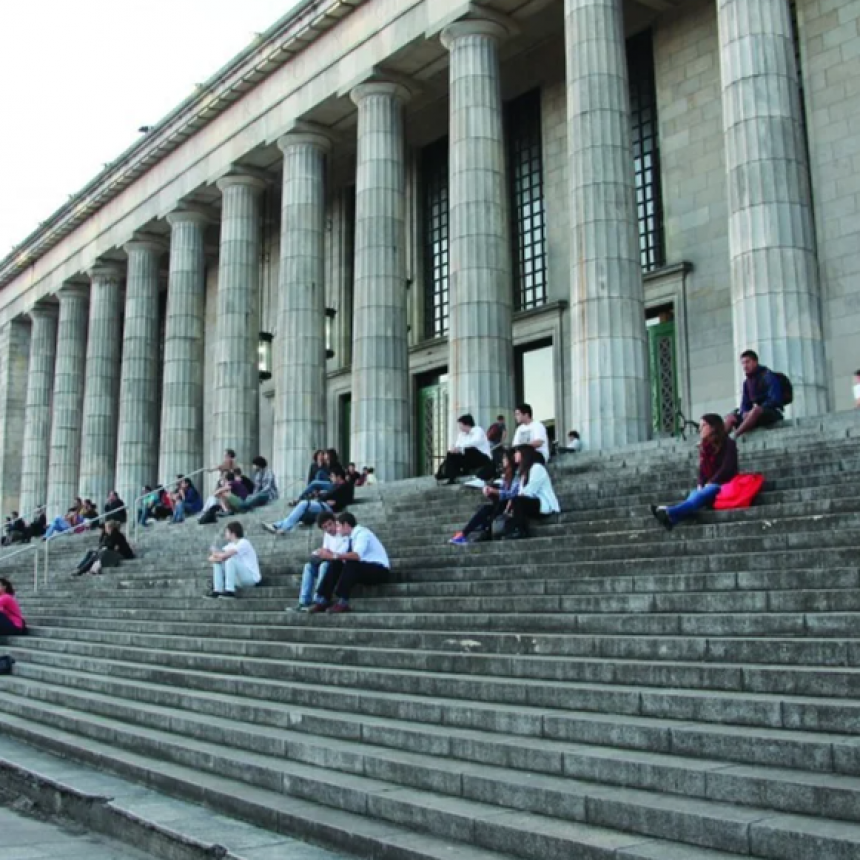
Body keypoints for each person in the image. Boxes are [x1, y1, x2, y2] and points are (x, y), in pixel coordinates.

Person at [650, 413, 739, 530]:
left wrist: (711, 482)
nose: (700, 429)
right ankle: (672, 520)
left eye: (703, 425)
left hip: (724, 485)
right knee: (694, 497)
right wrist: (700, 484)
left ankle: (668, 511)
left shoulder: (729, 444)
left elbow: (727, 468)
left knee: (698, 497)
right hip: (709, 487)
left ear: (713, 427)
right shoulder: (705, 447)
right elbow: (702, 471)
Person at [308, 512, 390, 614]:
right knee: (336, 563)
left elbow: (357, 555)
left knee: (351, 563)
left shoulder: (362, 533)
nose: (337, 529)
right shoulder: (351, 537)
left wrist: (334, 555)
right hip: (366, 568)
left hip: (380, 570)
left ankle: (343, 602)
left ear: (346, 525)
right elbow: (341, 556)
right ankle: (322, 599)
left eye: (338, 526)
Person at [450, 449, 519, 545]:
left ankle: (478, 532)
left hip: (512, 506)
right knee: (486, 509)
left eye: (504, 458)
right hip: (502, 504)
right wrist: (491, 493)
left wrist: (495, 491)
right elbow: (503, 493)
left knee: (495, 507)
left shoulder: (517, 475)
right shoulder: (506, 476)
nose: (502, 460)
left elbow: (513, 493)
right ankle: (463, 534)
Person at [263, 468, 354, 535]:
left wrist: (335, 502)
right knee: (301, 512)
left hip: (329, 508)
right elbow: (328, 495)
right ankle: (276, 525)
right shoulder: (337, 486)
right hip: (325, 505)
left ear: (339, 477)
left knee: (303, 504)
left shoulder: (344, 486)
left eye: (333, 476)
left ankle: (284, 527)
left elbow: (340, 498)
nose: (331, 479)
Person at [287, 511, 346, 612]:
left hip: (339, 566)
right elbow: (325, 550)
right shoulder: (327, 535)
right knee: (308, 567)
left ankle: (318, 600)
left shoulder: (343, 532)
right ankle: (303, 601)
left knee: (324, 565)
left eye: (330, 524)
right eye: (325, 527)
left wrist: (329, 554)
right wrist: (319, 553)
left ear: (335, 522)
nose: (329, 529)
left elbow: (341, 554)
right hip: (329, 562)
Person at [501, 445, 560, 540]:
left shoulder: (537, 468)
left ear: (524, 454)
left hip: (543, 504)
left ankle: (522, 531)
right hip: (531, 502)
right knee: (511, 504)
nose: (515, 455)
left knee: (517, 501)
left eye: (517, 452)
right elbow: (521, 491)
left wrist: (513, 501)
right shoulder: (524, 472)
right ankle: (510, 532)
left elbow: (530, 490)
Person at [724, 350, 785, 438]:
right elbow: (745, 403)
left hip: (772, 412)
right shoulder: (747, 383)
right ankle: (718, 440)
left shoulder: (768, 376)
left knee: (756, 411)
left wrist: (758, 408)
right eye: (743, 363)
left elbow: (775, 400)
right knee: (730, 417)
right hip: (754, 414)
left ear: (755, 362)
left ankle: (735, 435)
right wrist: (744, 412)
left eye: (747, 362)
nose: (745, 366)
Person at [208, 521, 261, 598]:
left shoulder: (244, 543)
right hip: (238, 579)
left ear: (233, 533)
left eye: (227, 531)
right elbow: (211, 559)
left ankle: (230, 591)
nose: (225, 534)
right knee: (217, 563)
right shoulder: (229, 546)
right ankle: (217, 591)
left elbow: (225, 555)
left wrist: (215, 553)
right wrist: (216, 555)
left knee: (230, 560)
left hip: (250, 578)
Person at [435, 414, 493, 485]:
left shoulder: (478, 430)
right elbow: (458, 445)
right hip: (468, 457)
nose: (459, 427)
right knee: (451, 454)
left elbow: (474, 443)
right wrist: (454, 449)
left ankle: (465, 471)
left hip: (482, 457)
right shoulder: (461, 434)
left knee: (469, 450)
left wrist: (460, 448)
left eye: (461, 425)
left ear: (466, 424)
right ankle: (451, 477)